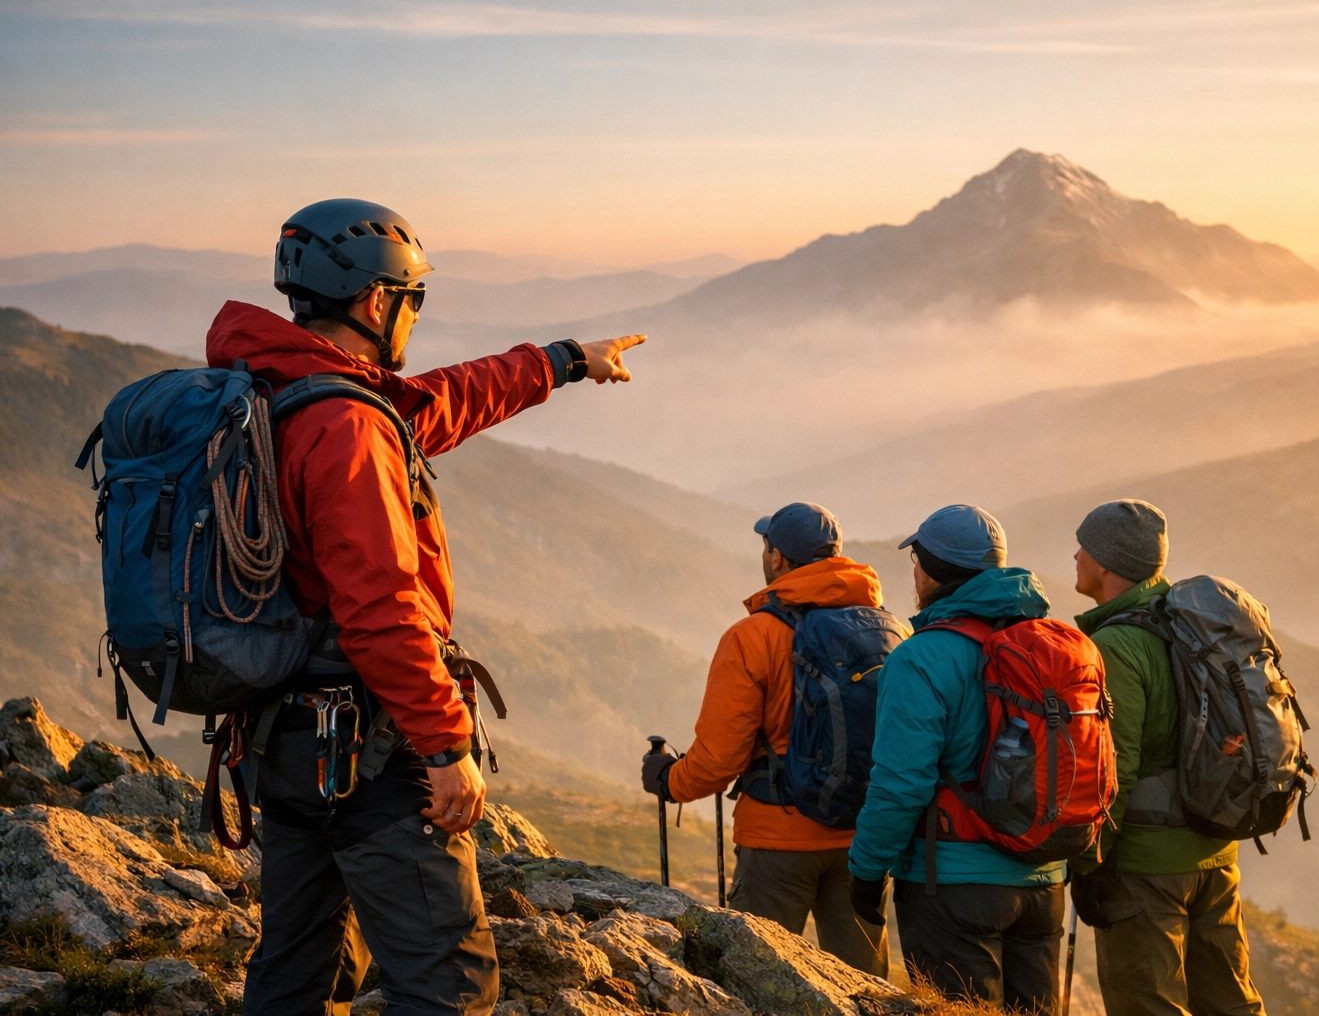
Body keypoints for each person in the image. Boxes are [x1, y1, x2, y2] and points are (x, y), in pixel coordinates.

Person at [220, 199, 645, 1016]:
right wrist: (447, 743)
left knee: (296, 973)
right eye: (412, 301)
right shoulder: (344, 424)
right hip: (366, 754)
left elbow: (429, 406)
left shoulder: (279, 390)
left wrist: (561, 361)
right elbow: (381, 609)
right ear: (378, 302)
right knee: (448, 985)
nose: (411, 318)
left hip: (284, 737)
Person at [640, 502, 892, 976]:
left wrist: (669, 780)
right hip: (862, 835)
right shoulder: (886, 629)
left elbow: (719, 760)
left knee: (758, 981)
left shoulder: (753, 636)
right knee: (864, 990)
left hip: (777, 840)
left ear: (777, 558)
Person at [846, 505, 1066, 1010]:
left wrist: (866, 870)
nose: (915, 573)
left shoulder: (921, 657)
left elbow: (902, 784)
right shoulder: (1047, 644)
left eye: (917, 562)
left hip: (954, 882)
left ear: (933, 569)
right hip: (1044, 880)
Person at [1068, 500, 1265, 1016]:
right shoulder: (1188, 626)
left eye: (1084, 547)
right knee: (1231, 1005)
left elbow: (1114, 766)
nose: (1075, 555)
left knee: (1148, 1006)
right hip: (1215, 853)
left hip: (1145, 869)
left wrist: (1090, 864)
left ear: (1108, 564)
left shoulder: (1118, 644)